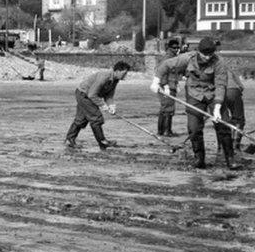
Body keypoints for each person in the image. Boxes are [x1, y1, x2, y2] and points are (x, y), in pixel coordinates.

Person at [152, 37, 237, 169]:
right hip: (194, 94)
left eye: (210, 54)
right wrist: (156, 81)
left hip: (213, 94)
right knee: (194, 128)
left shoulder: (219, 62)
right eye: (205, 54)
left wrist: (218, 107)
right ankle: (199, 159)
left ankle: (230, 159)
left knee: (223, 125)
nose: (208, 57)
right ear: (199, 52)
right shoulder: (187, 58)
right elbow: (165, 65)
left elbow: (220, 85)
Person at [64, 61, 131, 151]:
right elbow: (92, 94)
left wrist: (111, 106)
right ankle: (102, 142)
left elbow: (109, 95)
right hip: (83, 94)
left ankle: (69, 140)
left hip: (88, 95)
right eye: (124, 73)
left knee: (81, 119)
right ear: (118, 71)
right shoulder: (104, 77)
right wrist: (103, 105)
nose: (125, 76)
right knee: (96, 118)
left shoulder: (115, 80)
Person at [156, 39, 184, 137]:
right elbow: (162, 73)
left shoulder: (174, 58)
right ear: (169, 48)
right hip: (166, 87)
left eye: (177, 47)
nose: (176, 49)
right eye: (174, 48)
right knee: (167, 109)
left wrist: (177, 84)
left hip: (172, 86)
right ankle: (166, 131)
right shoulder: (167, 58)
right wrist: (165, 86)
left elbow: (174, 73)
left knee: (167, 108)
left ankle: (163, 131)